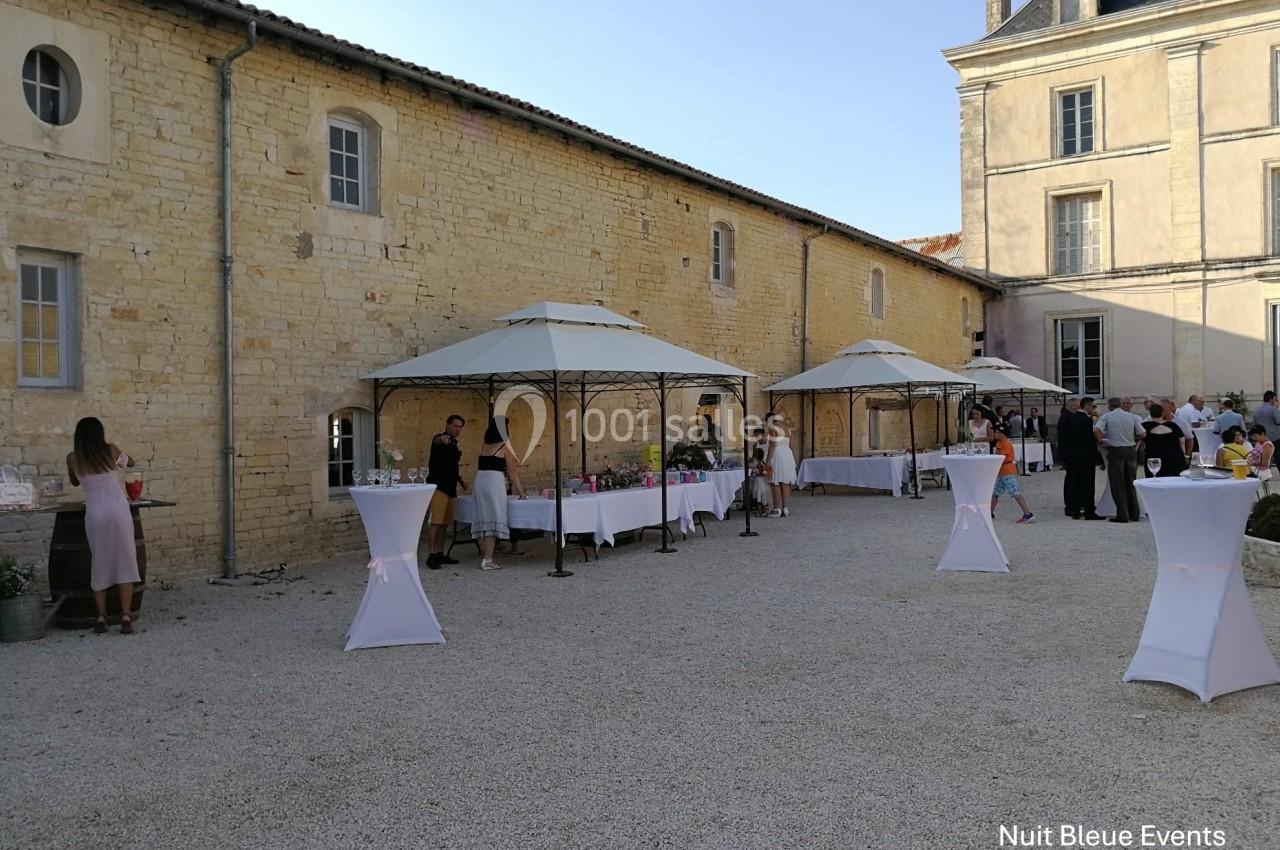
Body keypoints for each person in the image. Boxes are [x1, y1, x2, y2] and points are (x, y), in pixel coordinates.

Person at [65, 417, 140, 635]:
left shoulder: (73, 458)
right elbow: (132, 463)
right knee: (125, 559)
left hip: (96, 511)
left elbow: (75, 482)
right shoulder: (111, 450)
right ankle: (126, 616)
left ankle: (100, 617)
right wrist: (118, 458)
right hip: (117, 509)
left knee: (100, 561)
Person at [471, 416, 526, 571]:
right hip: (494, 482)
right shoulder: (504, 447)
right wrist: (521, 492)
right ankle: (488, 559)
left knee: (483, 517)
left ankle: (486, 553)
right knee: (493, 517)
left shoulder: (484, 446)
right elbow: (512, 472)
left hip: (480, 480)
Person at [424, 414, 467, 569]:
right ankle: (431, 555)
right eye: (455, 426)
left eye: (460, 427)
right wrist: (442, 439)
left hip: (451, 488)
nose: (457, 429)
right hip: (438, 486)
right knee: (435, 522)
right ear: (447, 425)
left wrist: (461, 481)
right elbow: (438, 440)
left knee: (444, 523)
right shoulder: (440, 439)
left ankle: (440, 553)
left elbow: (452, 466)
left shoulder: (454, 444)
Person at [1094, 397, 1144, 523]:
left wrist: (1100, 440)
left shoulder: (1107, 416)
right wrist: (1133, 438)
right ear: (1121, 405)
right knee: (1131, 482)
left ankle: (1122, 514)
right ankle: (1135, 513)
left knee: (1118, 484)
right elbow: (1143, 433)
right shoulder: (1132, 416)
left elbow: (1096, 429)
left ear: (1110, 406)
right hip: (1131, 450)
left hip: (1115, 450)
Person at [1060, 397, 1104, 520]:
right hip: (1086, 456)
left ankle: (1075, 511)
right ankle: (1089, 511)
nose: (1093, 408)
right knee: (1088, 484)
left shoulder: (1071, 418)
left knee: (1075, 483)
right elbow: (1091, 437)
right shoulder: (1087, 420)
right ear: (1087, 406)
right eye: (1092, 406)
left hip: (1073, 456)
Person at [990, 426, 1034, 523]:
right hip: (1001, 472)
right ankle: (990, 513)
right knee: (995, 493)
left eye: (996, 432)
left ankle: (1028, 514)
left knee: (1015, 492)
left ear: (1002, 433)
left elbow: (1002, 457)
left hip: (1007, 471)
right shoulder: (999, 443)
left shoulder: (1006, 443)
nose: (995, 434)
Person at [765, 413, 797, 517]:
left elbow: (772, 446)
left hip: (777, 454)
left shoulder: (773, 429)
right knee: (785, 482)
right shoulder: (788, 429)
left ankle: (777, 508)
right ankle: (785, 508)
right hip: (787, 454)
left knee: (776, 482)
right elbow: (792, 445)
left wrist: (768, 460)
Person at [1141, 403, 1187, 478]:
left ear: (1150, 413)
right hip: (1174, 458)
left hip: (1154, 459)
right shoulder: (1174, 425)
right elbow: (1182, 443)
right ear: (1162, 412)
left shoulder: (1144, 426)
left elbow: (1139, 440)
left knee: (1155, 482)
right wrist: (1184, 456)